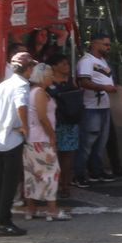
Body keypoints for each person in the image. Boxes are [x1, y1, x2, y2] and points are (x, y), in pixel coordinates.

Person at [0, 52, 33, 237]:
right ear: (28, 68)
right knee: (9, 183)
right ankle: (4, 222)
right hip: (12, 138)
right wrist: (25, 127)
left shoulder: (4, 84)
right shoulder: (22, 85)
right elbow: (21, 106)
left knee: (0, 183)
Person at [23, 63, 68, 222]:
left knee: (32, 173)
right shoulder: (40, 93)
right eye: (50, 75)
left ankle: (31, 209)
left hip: (32, 138)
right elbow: (43, 117)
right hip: (42, 138)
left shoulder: (31, 92)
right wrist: (52, 136)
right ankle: (52, 210)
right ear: (43, 77)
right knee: (51, 172)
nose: (53, 78)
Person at [75, 34, 120, 186]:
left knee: (100, 142)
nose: (108, 47)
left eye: (109, 44)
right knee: (87, 143)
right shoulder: (86, 61)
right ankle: (79, 175)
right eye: (105, 44)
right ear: (95, 44)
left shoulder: (101, 60)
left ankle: (96, 171)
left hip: (103, 106)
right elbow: (84, 82)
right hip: (91, 107)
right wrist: (103, 87)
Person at [46, 54, 82, 198]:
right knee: (54, 155)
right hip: (55, 122)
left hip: (71, 122)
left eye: (67, 63)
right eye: (63, 64)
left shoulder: (72, 81)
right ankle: (54, 184)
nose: (67, 66)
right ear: (54, 66)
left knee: (68, 155)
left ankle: (65, 185)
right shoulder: (48, 82)